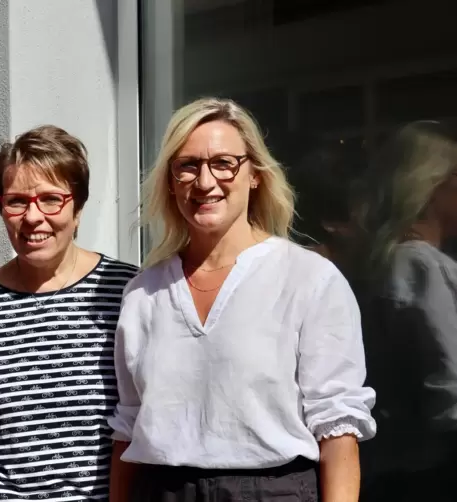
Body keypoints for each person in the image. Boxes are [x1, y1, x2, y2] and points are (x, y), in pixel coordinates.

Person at [108, 97, 376, 502]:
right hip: (160, 490)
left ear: (255, 175)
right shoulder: (144, 294)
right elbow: (127, 428)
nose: (204, 182)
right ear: (170, 181)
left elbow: (337, 428)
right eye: (188, 165)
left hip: (273, 491)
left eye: (223, 163)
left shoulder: (308, 279)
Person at [0, 125, 139, 501]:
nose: (33, 217)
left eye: (51, 199)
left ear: (77, 207)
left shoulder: (128, 293)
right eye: (16, 201)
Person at [353, 120, 457, 501]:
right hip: (431, 471)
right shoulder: (418, 266)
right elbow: (449, 387)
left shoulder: (387, 262)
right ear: (431, 185)